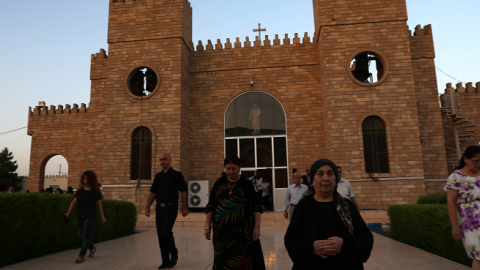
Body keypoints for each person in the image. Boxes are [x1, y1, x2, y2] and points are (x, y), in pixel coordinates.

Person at [285, 159, 374, 269]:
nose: (326, 178)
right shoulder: (303, 207)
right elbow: (291, 240)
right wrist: (311, 247)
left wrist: (344, 244)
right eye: (320, 174)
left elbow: (366, 238)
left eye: (330, 174)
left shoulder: (346, 206)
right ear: (312, 180)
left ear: (336, 179)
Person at [204, 155, 266, 269]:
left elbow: (256, 207)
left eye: (234, 168)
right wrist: (207, 226)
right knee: (223, 261)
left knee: (242, 261)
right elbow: (211, 205)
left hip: (242, 234)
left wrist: (257, 227)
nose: (230, 171)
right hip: (222, 234)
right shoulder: (219, 183)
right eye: (228, 168)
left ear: (239, 168)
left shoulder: (246, 184)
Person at [145, 152, 188, 269]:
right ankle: (165, 261)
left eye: (164, 159)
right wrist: (147, 206)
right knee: (161, 235)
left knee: (165, 232)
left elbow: (183, 191)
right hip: (159, 208)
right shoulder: (157, 177)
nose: (162, 161)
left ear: (170, 159)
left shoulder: (177, 175)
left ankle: (174, 253)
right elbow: (153, 192)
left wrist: (184, 208)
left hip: (171, 207)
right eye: (160, 160)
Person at [445, 145, 480, 269]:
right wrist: (455, 227)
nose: (478, 164)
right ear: (466, 159)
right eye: (476, 160)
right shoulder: (456, 177)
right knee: (478, 255)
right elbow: (451, 203)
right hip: (471, 222)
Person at [65, 170, 106, 264]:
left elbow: (99, 204)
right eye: (84, 178)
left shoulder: (95, 191)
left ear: (92, 179)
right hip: (80, 215)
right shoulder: (80, 190)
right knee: (83, 236)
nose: (86, 180)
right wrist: (68, 213)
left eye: (88, 179)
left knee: (85, 236)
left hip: (90, 216)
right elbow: (74, 202)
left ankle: (81, 256)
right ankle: (92, 248)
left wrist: (102, 216)